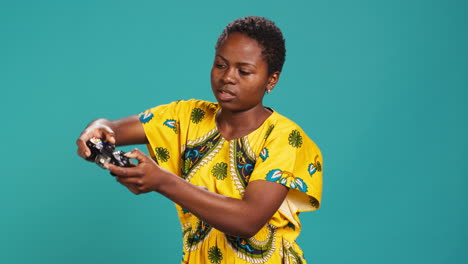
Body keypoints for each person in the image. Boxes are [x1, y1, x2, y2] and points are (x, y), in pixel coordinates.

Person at [77, 16, 323, 264]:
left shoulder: (285, 138)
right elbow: (110, 129)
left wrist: (163, 182)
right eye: (221, 65)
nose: (228, 77)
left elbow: (247, 220)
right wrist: (97, 128)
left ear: (272, 79)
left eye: (244, 71)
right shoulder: (187, 117)